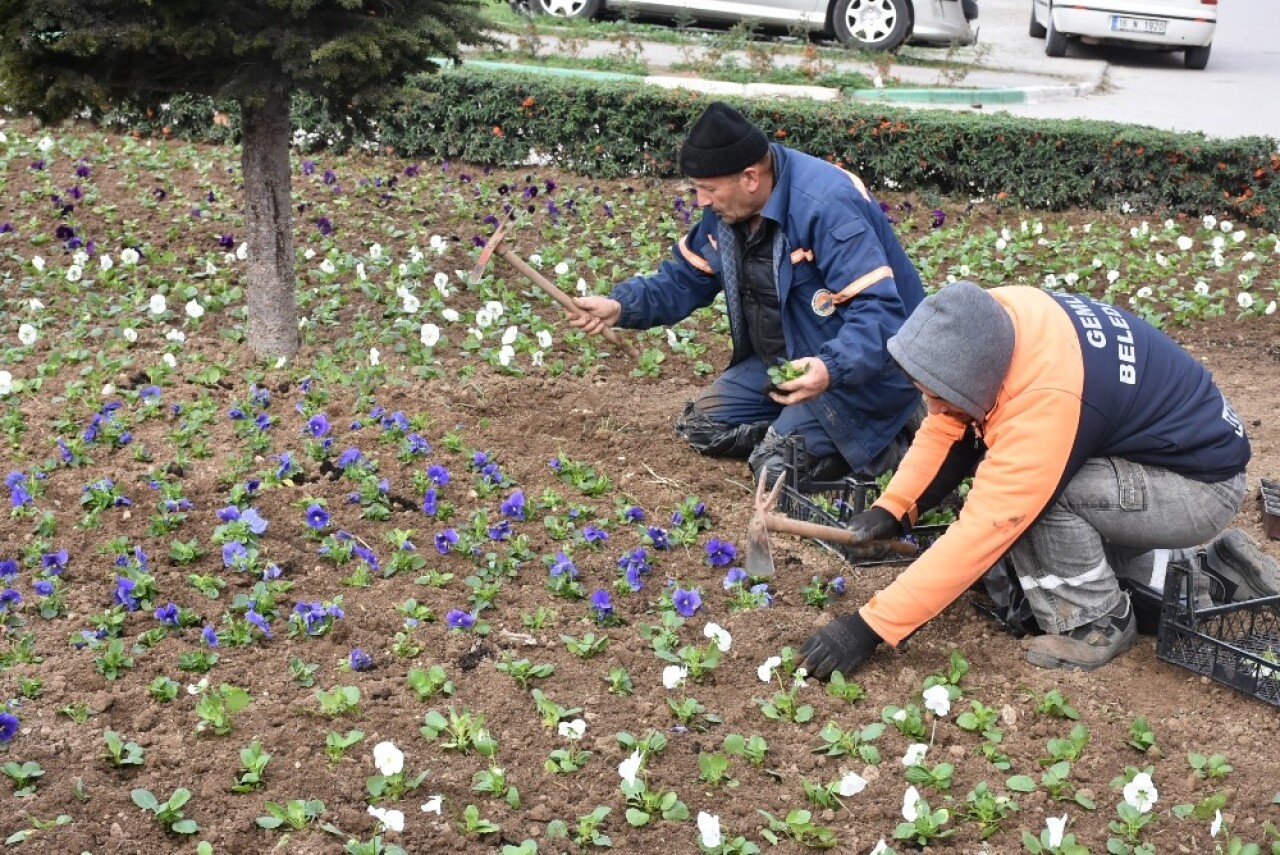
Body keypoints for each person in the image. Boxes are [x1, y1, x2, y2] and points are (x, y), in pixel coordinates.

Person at [798, 281, 1280, 677]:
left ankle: (1096, 619)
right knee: (1052, 521)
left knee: (1040, 505)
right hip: (1164, 465)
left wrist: (868, 627)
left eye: (940, 396)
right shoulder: (999, 319)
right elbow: (949, 423)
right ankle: (1218, 573)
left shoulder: (1045, 399)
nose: (933, 408)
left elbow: (987, 527)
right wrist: (894, 507)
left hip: (1198, 490)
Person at [569, 101, 926, 485]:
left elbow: (882, 315)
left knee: (774, 471)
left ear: (751, 177)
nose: (700, 201)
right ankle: (795, 432)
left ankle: (895, 438)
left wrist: (829, 368)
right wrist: (620, 306)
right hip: (789, 359)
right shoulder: (729, 208)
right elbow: (685, 279)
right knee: (702, 426)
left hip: (864, 376)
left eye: (707, 189)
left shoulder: (826, 205)